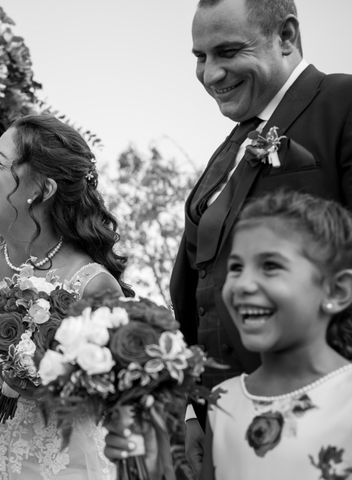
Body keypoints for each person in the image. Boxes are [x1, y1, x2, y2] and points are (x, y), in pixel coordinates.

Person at [170, 0, 352, 473]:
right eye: (200, 56)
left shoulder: (343, 104)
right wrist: (194, 407)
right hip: (224, 421)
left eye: (228, 52)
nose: (211, 75)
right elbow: (195, 286)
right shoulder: (225, 152)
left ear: (287, 36)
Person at [0, 114, 133, 479]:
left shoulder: (93, 285)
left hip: (58, 467)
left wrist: (33, 377)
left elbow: (112, 406)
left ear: (43, 189)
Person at [200, 191, 352, 479]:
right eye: (236, 268)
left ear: (336, 290)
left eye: (270, 266)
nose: (243, 285)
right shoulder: (223, 399)